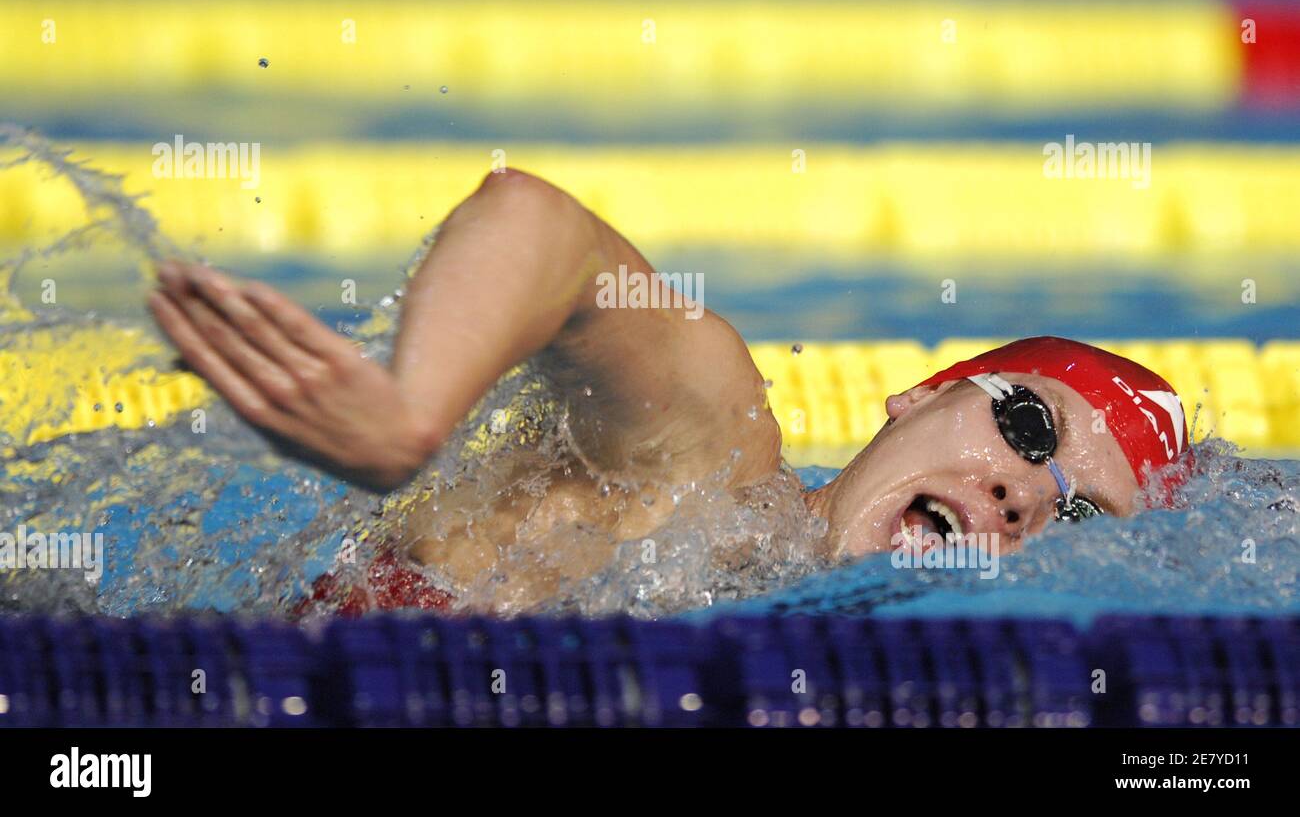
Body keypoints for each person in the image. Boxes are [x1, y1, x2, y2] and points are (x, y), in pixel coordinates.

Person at [148, 169, 1190, 610]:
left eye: (1082, 511)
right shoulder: (701, 460)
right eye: (1023, 424)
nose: (1025, 493)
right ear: (918, 396)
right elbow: (536, 225)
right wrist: (406, 417)